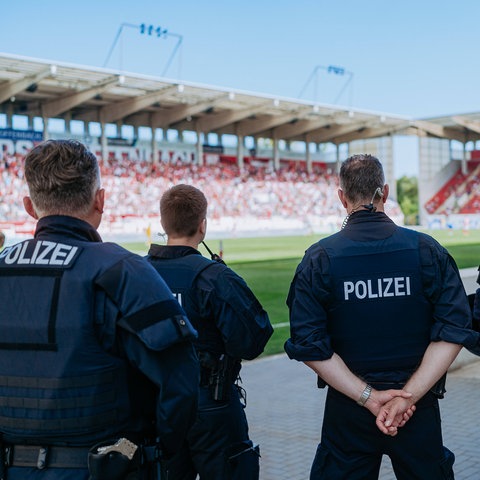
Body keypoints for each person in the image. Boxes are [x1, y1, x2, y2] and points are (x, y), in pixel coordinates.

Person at [0, 140, 199, 479]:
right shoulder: (123, 270)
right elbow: (180, 382)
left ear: (30, 207)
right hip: (105, 467)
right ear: (100, 200)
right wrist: (151, 452)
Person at [284, 154, 480, 480]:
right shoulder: (427, 250)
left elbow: (308, 344)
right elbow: (454, 329)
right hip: (416, 407)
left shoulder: (320, 258)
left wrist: (369, 398)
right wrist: (407, 398)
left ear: (341, 196)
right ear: (386, 192)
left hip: (349, 408)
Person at [145, 184, 273, 480]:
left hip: (156, 405)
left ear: (163, 224)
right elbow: (253, 341)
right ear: (202, 225)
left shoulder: (136, 272)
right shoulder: (215, 277)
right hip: (211, 405)